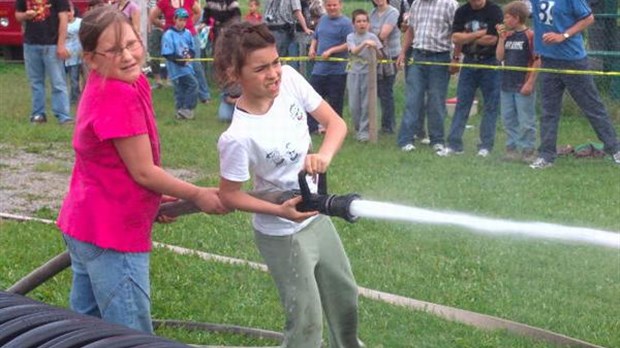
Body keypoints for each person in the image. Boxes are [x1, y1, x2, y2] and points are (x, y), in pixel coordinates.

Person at [57, 6, 228, 333]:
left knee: (84, 328)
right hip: (111, 234)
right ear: (91, 59)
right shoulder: (117, 94)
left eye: (132, 43)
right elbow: (143, 172)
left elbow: (115, 167)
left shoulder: (124, 83)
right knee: (129, 333)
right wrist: (198, 194)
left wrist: (153, 199)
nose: (127, 56)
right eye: (113, 50)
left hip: (84, 223)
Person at [213, 22, 363, 348]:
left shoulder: (291, 81)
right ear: (234, 73)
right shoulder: (237, 137)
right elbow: (229, 195)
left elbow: (335, 123)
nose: (274, 74)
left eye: (276, 61)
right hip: (281, 234)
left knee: (345, 298)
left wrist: (322, 155)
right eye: (261, 68)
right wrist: (277, 210)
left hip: (316, 216)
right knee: (307, 322)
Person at [528, 0, 620, 168]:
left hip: (573, 60)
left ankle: (615, 149)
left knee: (592, 107)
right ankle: (546, 155)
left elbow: (589, 18)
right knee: (548, 111)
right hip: (548, 60)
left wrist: (563, 35)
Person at [438, 0, 502, 157]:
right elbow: (455, 38)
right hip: (469, 61)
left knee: (490, 106)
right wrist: (479, 34)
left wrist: (466, 37)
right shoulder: (462, 11)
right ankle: (454, 144)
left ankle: (485, 146)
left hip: (490, 61)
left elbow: (493, 39)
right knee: (462, 103)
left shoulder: (494, 10)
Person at [396, 0, 458, 153]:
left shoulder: (450, 4)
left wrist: (455, 58)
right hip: (418, 55)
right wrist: (403, 52)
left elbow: (456, 33)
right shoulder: (417, 3)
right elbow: (411, 29)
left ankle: (437, 140)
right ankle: (406, 139)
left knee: (436, 100)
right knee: (412, 99)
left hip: (440, 56)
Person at [15, 0, 74, 124]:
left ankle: (63, 116)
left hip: (51, 44)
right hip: (30, 43)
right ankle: (38, 114)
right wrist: (26, 15)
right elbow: (17, 15)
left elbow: (63, 19)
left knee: (58, 82)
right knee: (36, 82)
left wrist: (61, 44)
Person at [495, 1, 539, 163]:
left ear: (517, 18)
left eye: (507, 17)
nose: (505, 21)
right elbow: (499, 57)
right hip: (507, 84)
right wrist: (501, 39)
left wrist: (530, 83)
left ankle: (528, 150)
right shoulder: (508, 36)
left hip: (523, 84)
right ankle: (511, 149)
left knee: (526, 119)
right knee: (508, 119)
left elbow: (537, 60)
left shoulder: (530, 35)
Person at [150, 0, 211, 103]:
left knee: (196, 64)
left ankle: (204, 95)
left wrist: (190, 24)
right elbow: (153, 17)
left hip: (190, 35)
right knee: (176, 65)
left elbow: (198, 12)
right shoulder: (164, 2)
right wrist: (166, 27)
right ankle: (182, 96)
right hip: (173, 37)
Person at [307, 0, 352, 133]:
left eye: (334, 5)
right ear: (325, 6)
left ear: (340, 5)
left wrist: (332, 51)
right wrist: (312, 48)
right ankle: (313, 128)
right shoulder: (323, 20)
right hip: (319, 69)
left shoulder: (346, 23)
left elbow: (349, 43)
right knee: (312, 99)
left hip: (337, 70)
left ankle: (335, 129)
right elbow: (316, 37)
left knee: (335, 102)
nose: (332, 8)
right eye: (329, 5)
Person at [346, 9, 382, 142]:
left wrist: (375, 47)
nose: (362, 24)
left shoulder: (372, 37)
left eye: (364, 21)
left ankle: (364, 132)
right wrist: (365, 44)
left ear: (368, 23)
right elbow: (354, 51)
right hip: (354, 73)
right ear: (354, 24)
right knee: (354, 104)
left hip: (369, 74)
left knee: (366, 104)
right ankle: (357, 128)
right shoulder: (350, 37)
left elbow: (380, 55)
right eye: (358, 21)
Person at [369, 0, 401, 134]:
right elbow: (368, 32)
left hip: (390, 56)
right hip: (375, 56)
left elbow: (383, 34)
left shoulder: (393, 12)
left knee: (386, 92)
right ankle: (376, 124)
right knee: (376, 92)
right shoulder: (372, 12)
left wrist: (370, 39)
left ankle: (388, 126)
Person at [162, 8, 199, 120]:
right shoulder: (169, 34)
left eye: (184, 20)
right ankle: (186, 108)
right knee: (192, 85)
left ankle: (181, 111)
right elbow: (167, 53)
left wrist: (190, 56)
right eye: (180, 20)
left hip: (187, 66)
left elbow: (192, 49)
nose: (182, 23)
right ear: (175, 19)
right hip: (176, 68)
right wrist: (180, 61)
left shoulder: (187, 33)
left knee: (184, 88)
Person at [262, 0, 313, 65]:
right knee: (278, 59)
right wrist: (305, 28)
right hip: (281, 31)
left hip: (267, 30)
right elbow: (297, 12)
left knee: (269, 58)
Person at [65, 1, 83, 105]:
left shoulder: (80, 22)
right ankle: (73, 98)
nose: (68, 14)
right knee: (70, 79)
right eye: (66, 11)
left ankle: (77, 97)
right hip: (67, 56)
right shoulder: (62, 24)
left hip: (79, 55)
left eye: (70, 11)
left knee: (78, 78)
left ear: (73, 11)